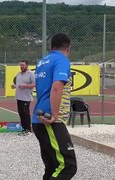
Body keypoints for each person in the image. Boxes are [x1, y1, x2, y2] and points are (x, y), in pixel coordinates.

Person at [32, 33, 77, 179]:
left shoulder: (42, 61)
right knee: (67, 166)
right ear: (68, 48)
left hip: (39, 118)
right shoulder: (62, 60)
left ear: (51, 47)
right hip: (50, 120)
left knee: (52, 167)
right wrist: (55, 116)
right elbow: (57, 87)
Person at [11, 60, 35, 136]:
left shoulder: (31, 74)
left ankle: (28, 130)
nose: (21, 67)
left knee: (26, 113)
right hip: (19, 97)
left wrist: (24, 86)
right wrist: (14, 86)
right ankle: (24, 128)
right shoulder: (19, 74)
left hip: (26, 97)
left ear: (27, 66)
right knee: (21, 113)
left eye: (23, 65)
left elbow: (34, 84)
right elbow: (17, 84)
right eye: (20, 65)